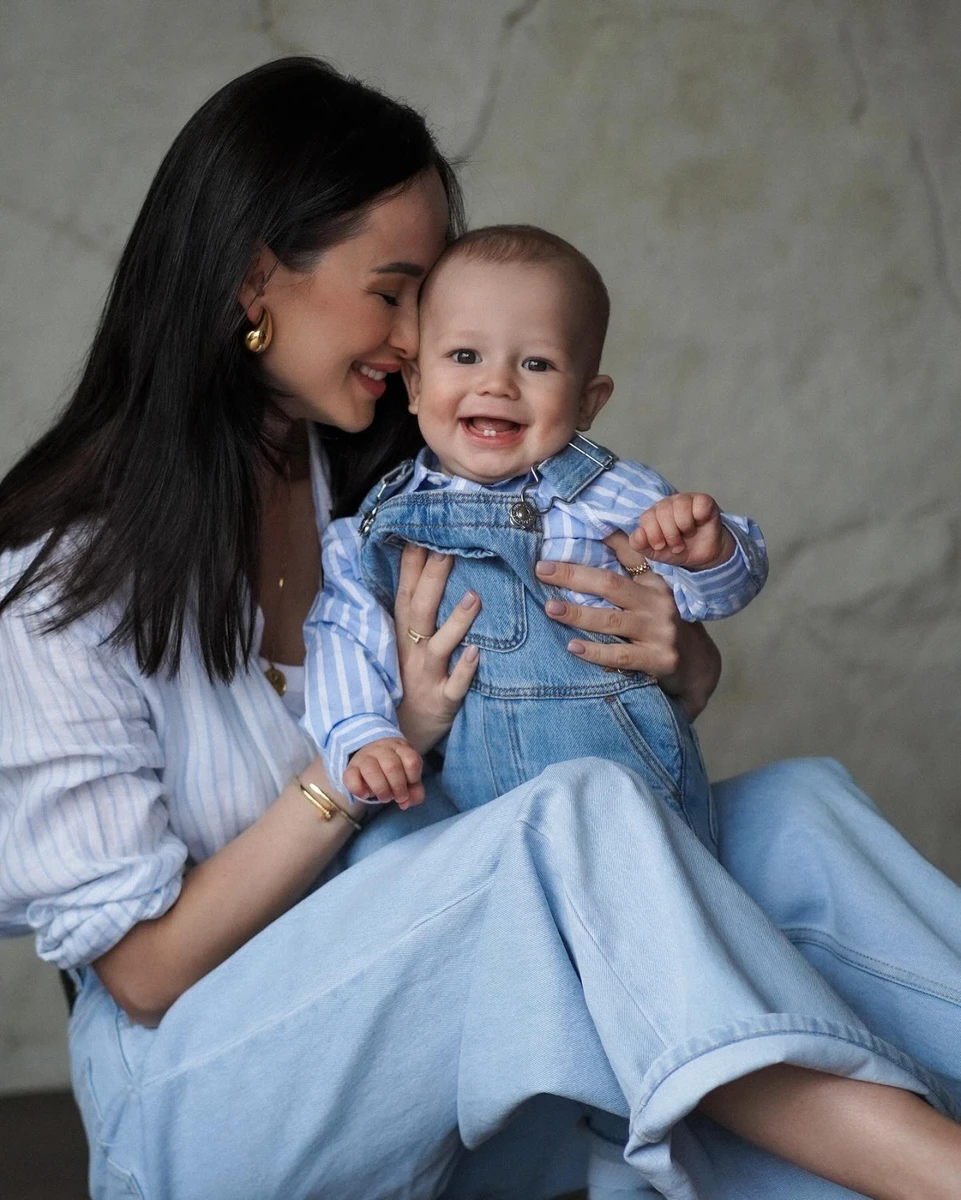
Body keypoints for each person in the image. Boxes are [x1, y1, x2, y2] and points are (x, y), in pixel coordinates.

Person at [2, 56, 961, 1200]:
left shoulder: (381, 474)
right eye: (394, 289)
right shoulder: (56, 584)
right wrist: (364, 762)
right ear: (258, 281)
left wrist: (673, 650)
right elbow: (147, 978)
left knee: (793, 816)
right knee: (575, 824)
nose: (421, 338)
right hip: (208, 1105)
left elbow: (544, 701)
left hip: (450, 1040)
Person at [304, 225, 768, 838]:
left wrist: (707, 553)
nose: (497, 383)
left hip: (623, 782)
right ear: (414, 384)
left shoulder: (609, 493)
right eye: (465, 356)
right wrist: (364, 735)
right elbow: (343, 640)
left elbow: (717, 594)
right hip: (473, 804)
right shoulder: (375, 529)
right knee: (383, 854)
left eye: (536, 363)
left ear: (586, 403)